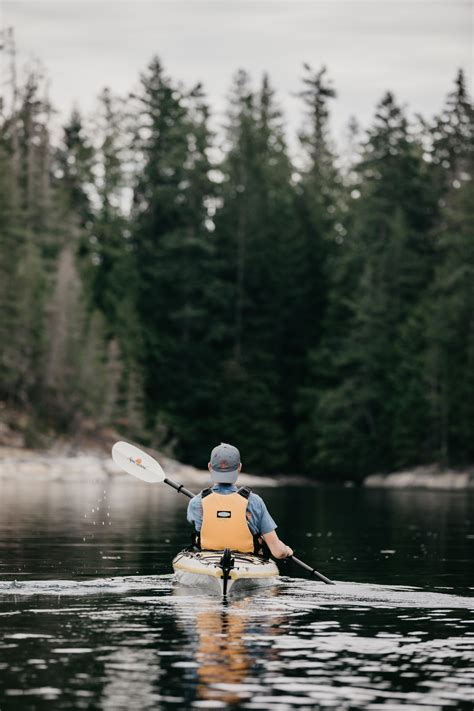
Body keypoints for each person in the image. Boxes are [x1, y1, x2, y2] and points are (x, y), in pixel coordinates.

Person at [187, 442, 293, 559]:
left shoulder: (196, 503)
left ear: (209, 467)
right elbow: (278, 552)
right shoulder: (255, 502)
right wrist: (287, 551)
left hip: (207, 561)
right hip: (247, 563)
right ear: (239, 468)